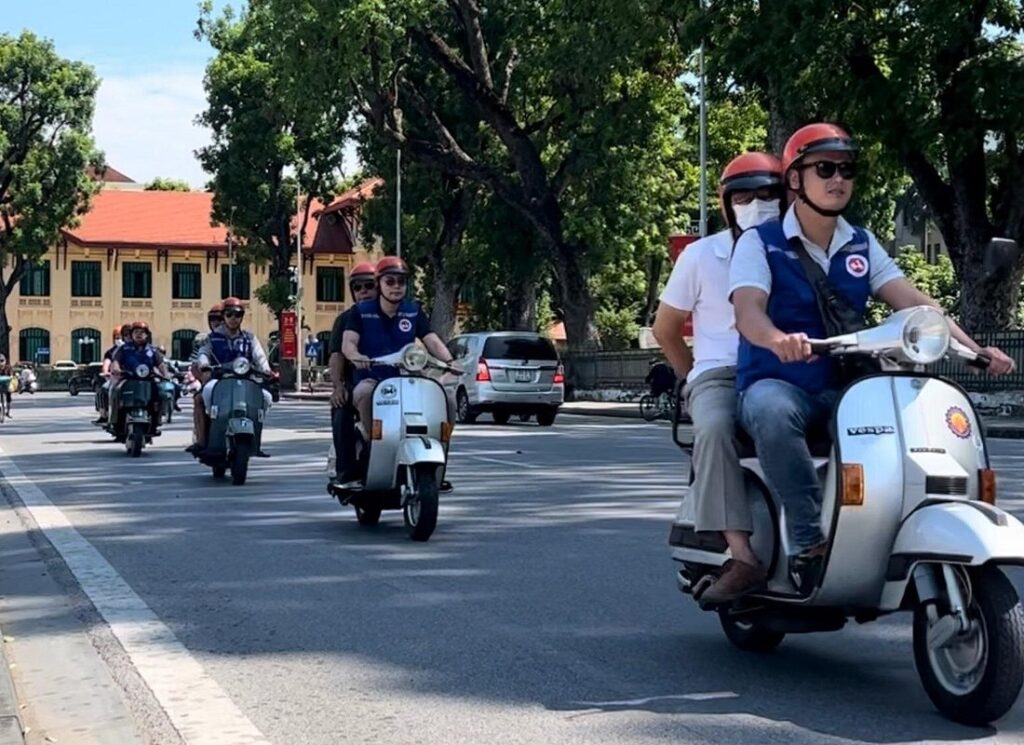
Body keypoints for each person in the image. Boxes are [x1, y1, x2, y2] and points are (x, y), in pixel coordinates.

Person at [730, 123, 1016, 591]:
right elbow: (747, 312)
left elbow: (918, 305)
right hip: (780, 383)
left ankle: (893, 532)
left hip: (848, 388)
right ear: (796, 179)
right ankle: (806, 542)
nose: (838, 178)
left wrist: (975, 349)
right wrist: (777, 338)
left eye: (846, 169)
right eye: (825, 168)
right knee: (771, 410)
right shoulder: (760, 243)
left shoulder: (861, 242)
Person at [653, 151, 786, 603]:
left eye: (768, 194)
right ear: (726, 203)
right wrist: (694, 379)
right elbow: (664, 328)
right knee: (712, 427)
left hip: (789, 369)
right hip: (722, 373)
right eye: (745, 196)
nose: (757, 203)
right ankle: (742, 555)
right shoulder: (701, 254)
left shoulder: (801, 248)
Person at [342, 256, 457, 488]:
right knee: (364, 394)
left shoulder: (413, 311)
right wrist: (357, 357)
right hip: (373, 378)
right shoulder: (360, 312)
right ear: (380, 284)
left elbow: (431, 340)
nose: (396, 287)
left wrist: (451, 362)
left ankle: (439, 443)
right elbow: (348, 343)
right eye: (390, 281)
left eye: (401, 282)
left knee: (448, 399)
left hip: (408, 379)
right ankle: (370, 439)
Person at [191, 297, 273, 454]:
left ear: (242, 317)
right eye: (229, 314)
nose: (234, 319)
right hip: (221, 380)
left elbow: (260, 356)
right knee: (205, 394)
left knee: (266, 397)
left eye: (237, 315)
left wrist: (266, 369)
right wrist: (204, 364)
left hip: (247, 380)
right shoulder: (212, 338)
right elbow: (203, 353)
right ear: (224, 316)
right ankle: (206, 436)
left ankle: (256, 439)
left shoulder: (250, 338)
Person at [327, 261, 378, 485]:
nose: (363, 291)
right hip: (354, 381)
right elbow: (338, 355)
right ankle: (346, 470)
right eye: (358, 287)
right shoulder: (347, 318)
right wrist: (338, 386)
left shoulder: (393, 315)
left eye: (369, 285)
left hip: (394, 381)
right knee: (341, 408)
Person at [110, 321, 169, 435]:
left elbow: (161, 365)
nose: (139, 334)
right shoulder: (124, 349)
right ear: (131, 334)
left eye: (142, 332)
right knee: (116, 391)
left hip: (148, 380)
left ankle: (157, 421)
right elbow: (116, 361)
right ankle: (115, 422)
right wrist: (116, 369)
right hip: (127, 378)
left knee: (162, 393)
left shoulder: (153, 350)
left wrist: (165, 375)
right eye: (136, 332)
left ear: (147, 335)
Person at [186, 303, 224, 452]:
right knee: (199, 399)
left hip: (237, 382)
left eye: (221, 318)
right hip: (214, 383)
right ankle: (201, 440)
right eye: (213, 319)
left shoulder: (243, 338)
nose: (217, 322)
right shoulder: (207, 340)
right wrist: (202, 370)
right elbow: (198, 361)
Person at [95, 324, 130, 424]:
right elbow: (108, 361)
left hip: (136, 378)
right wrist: (106, 372)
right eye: (117, 337)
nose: (119, 339)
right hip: (119, 378)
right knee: (104, 390)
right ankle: (104, 414)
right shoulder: (115, 351)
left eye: (128, 335)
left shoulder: (139, 349)